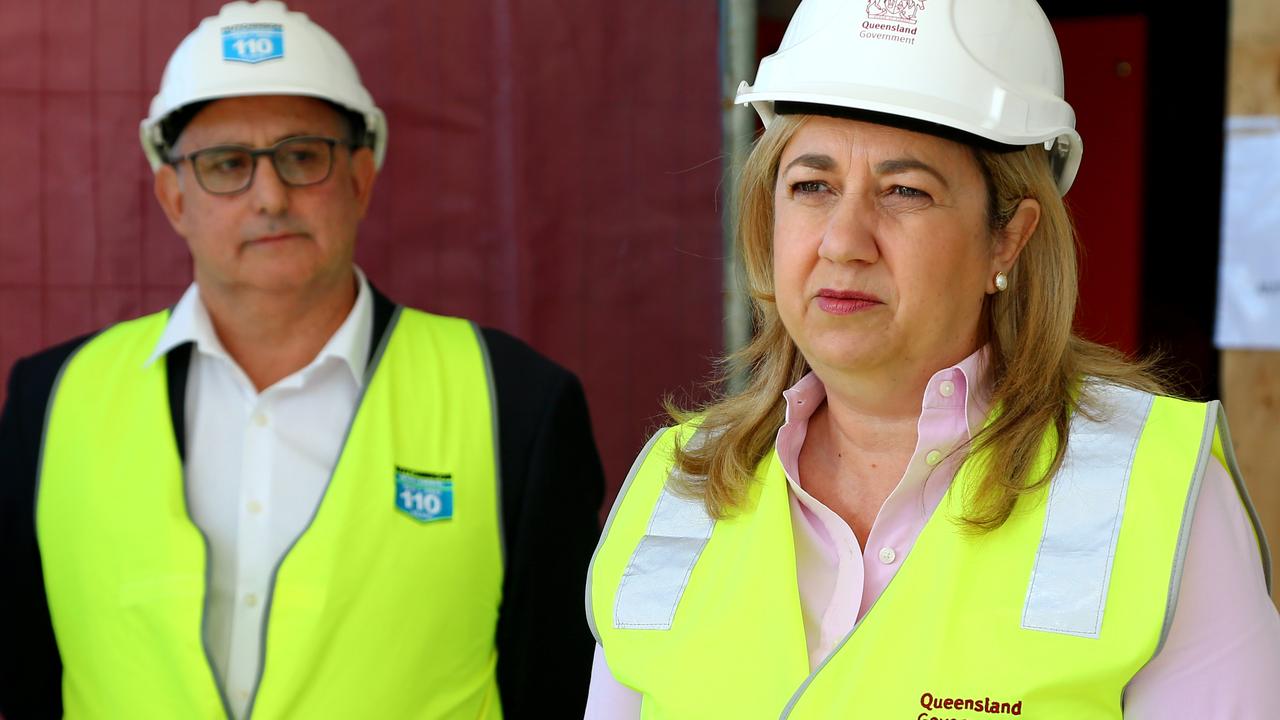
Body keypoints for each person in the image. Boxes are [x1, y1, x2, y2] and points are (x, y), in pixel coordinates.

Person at [585, 0, 1280, 717]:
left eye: (905, 191)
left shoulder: (1155, 501)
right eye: (811, 186)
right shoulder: (677, 489)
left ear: (1007, 239)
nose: (843, 240)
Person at [0, 2, 603, 718]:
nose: (270, 196)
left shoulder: (518, 404)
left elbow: (562, 692)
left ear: (360, 176)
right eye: (227, 165)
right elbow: (25, 678)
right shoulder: (53, 400)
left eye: (302, 156)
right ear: (173, 196)